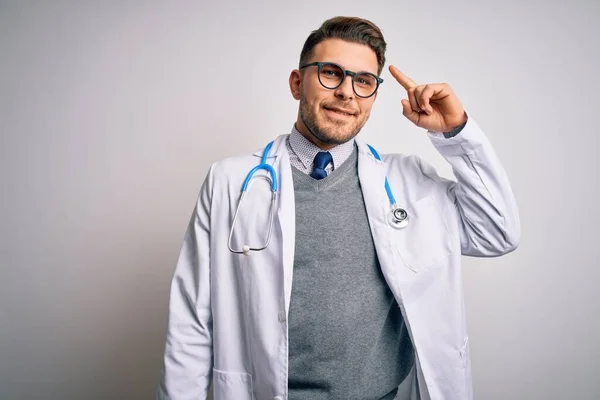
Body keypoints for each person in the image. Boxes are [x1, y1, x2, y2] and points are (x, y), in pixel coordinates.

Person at [157, 16, 520, 400]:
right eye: (331, 73)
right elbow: (191, 323)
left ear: (373, 96)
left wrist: (455, 132)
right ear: (298, 83)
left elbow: (497, 233)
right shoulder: (230, 181)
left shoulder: (408, 181)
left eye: (363, 81)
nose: (347, 92)